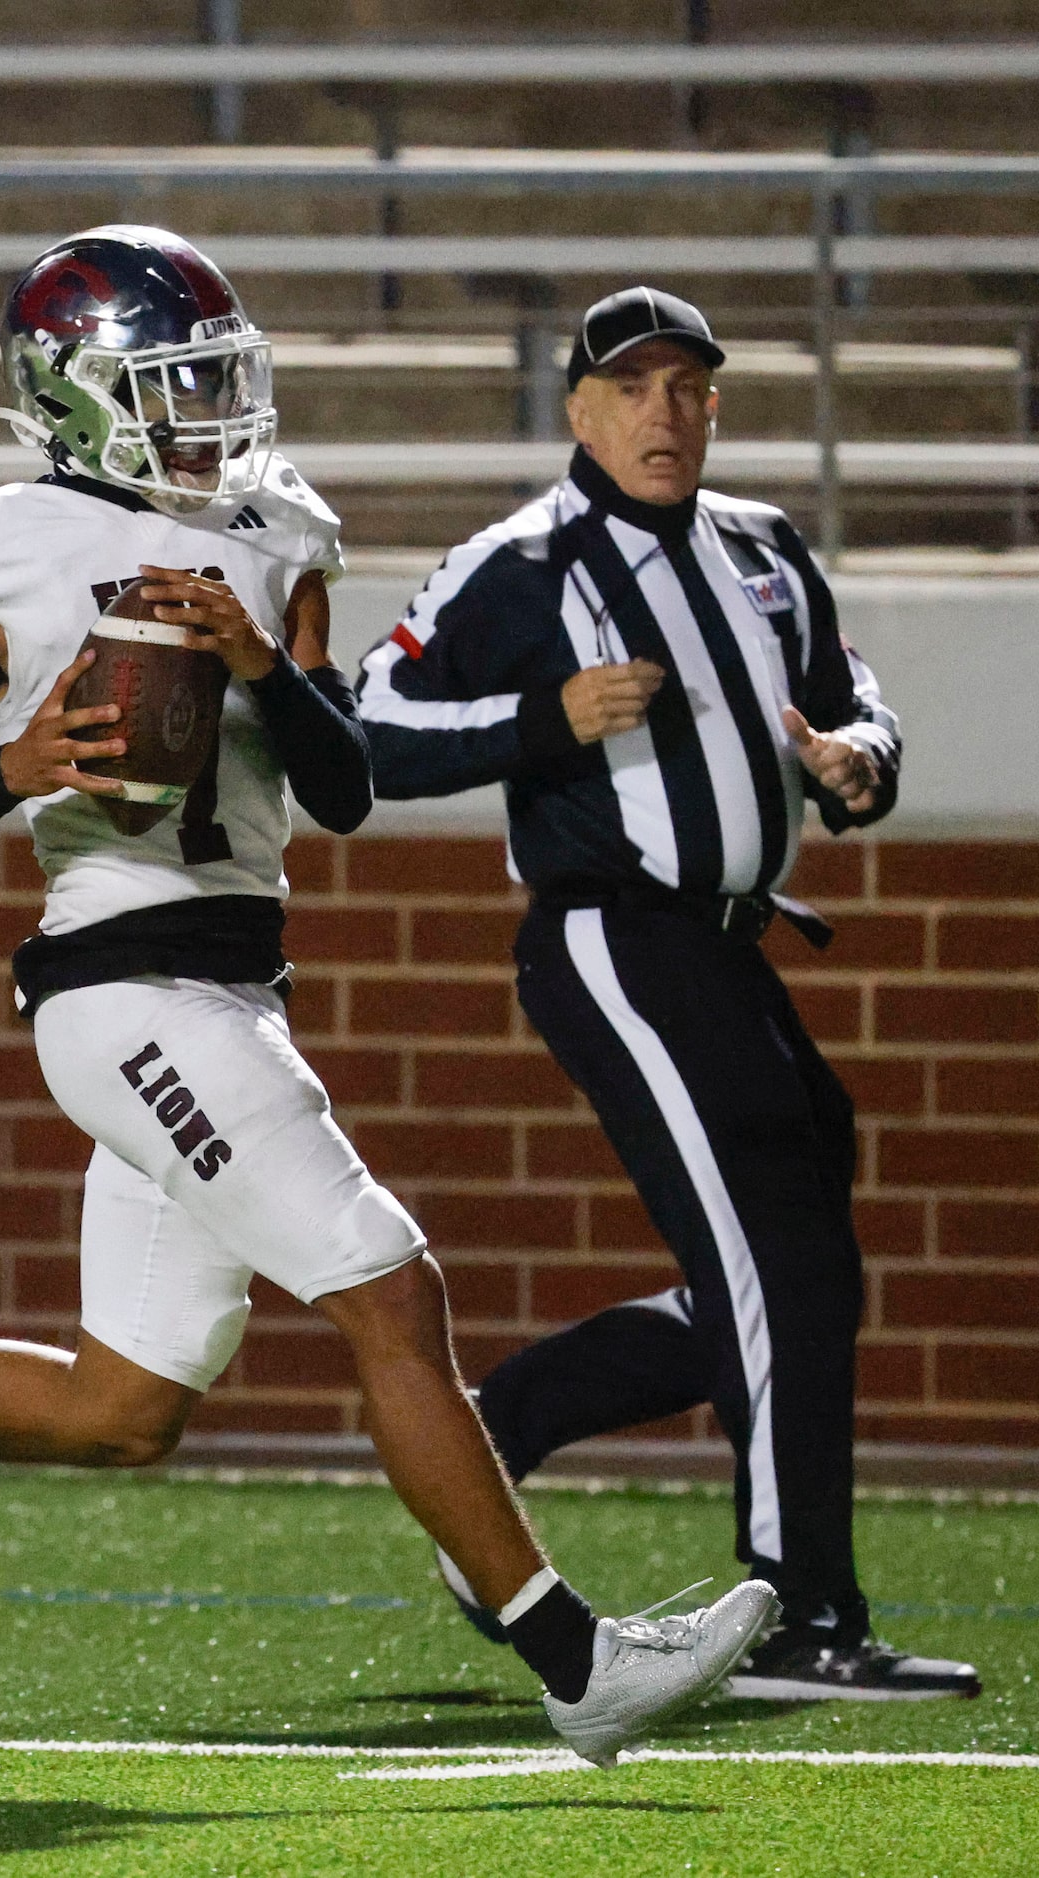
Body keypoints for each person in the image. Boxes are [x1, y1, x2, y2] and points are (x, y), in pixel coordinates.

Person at [0, 228, 775, 1766]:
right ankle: (577, 1662)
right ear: (79, 394)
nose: (211, 412)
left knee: (125, 1404)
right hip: (119, 985)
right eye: (175, 383)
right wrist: (15, 768)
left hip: (232, 985)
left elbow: (346, 790)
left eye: (218, 380)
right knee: (393, 1288)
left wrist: (262, 660)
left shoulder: (269, 531)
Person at [353, 285, 977, 1701]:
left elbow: (851, 689)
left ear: (717, 405)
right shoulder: (519, 566)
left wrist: (861, 760)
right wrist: (540, 720)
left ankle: (504, 1423)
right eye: (631, 387)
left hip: (731, 941)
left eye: (689, 387)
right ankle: (803, 1614)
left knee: (796, 1266)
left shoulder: (761, 547)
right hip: (611, 934)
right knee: (780, 1266)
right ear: (577, 409)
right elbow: (361, 728)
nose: (663, 413)